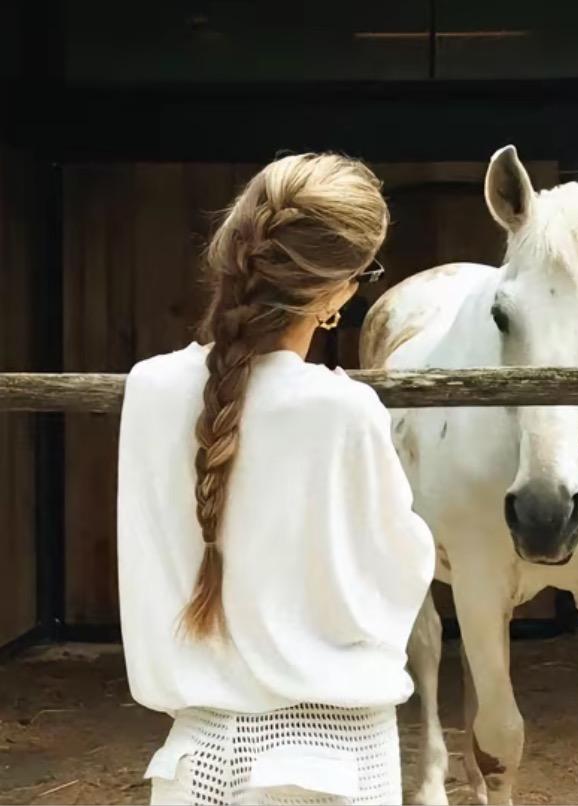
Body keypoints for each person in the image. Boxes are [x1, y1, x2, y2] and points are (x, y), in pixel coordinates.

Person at [117, 153, 435, 805]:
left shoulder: (148, 391)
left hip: (191, 765)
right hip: (335, 766)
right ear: (334, 292)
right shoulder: (343, 411)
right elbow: (396, 574)